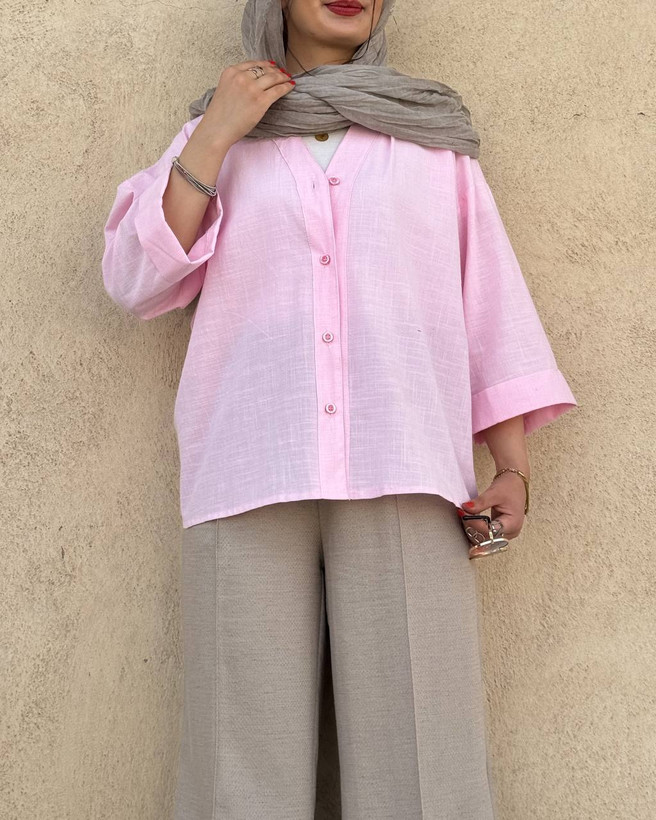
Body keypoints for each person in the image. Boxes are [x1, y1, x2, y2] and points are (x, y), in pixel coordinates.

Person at [101, 0, 578, 816]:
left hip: (406, 467)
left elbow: (486, 304)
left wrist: (513, 467)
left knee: (424, 765)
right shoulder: (217, 136)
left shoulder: (430, 140)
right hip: (250, 470)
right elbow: (134, 281)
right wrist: (214, 136)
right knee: (238, 768)